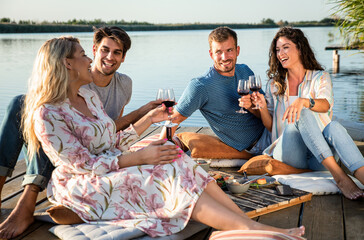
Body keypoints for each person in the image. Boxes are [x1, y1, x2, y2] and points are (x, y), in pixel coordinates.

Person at [21, 36, 305, 239]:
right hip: (80, 183)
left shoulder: (88, 96)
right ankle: (252, 230)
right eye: (83, 54)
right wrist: (139, 158)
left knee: (174, 154)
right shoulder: (47, 114)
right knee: (163, 174)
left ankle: (243, 221)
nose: (89, 59)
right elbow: (81, 164)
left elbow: (111, 142)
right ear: (67, 64)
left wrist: (149, 121)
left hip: (110, 162)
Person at [0, 26, 161, 238]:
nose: (109, 57)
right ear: (95, 50)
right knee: (24, 106)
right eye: (104, 50)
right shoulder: (79, 84)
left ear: (123, 58)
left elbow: (111, 129)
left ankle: (32, 201)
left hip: (98, 151)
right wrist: (142, 114)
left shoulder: (120, 85)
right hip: (73, 154)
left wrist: (147, 114)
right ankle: (26, 200)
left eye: (117, 52)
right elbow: (59, 128)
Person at [252, 26, 364, 200]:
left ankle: (362, 174)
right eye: (277, 50)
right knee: (302, 114)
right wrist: (262, 108)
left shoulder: (320, 77)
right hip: (289, 152)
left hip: (319, 156)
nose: (280, 53)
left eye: (286, 47)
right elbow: (270, 125)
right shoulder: (274, 84)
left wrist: (304, 101)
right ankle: (339, 176)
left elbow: (325, 105)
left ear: (300, 48)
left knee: (334, 126)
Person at [162, 26, 269, 157]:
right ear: (211, 54)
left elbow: (267, 113)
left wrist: (252, 107)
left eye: (229, 50)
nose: (224, 57)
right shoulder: (200, 86)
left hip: (271, 131)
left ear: (237, 50)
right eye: (218, 52)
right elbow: (174, 118)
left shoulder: (245, 71)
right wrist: (160, 147)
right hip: (257, 146)